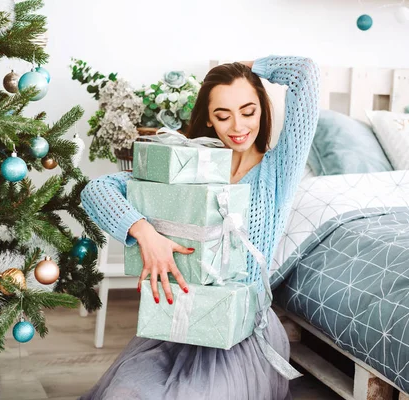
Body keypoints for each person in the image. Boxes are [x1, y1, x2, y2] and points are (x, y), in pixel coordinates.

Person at [80, 55, 320, 400]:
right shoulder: (189, 166)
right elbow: (96, 190)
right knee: (125, 393)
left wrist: (241, 68)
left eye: (248, 111)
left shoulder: (279, 169)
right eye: (223, 115)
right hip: (179, 322)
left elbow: (305, 73)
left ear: (263, 111)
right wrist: (145, 234)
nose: (238, 126)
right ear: (208, 119)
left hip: (243, 332)